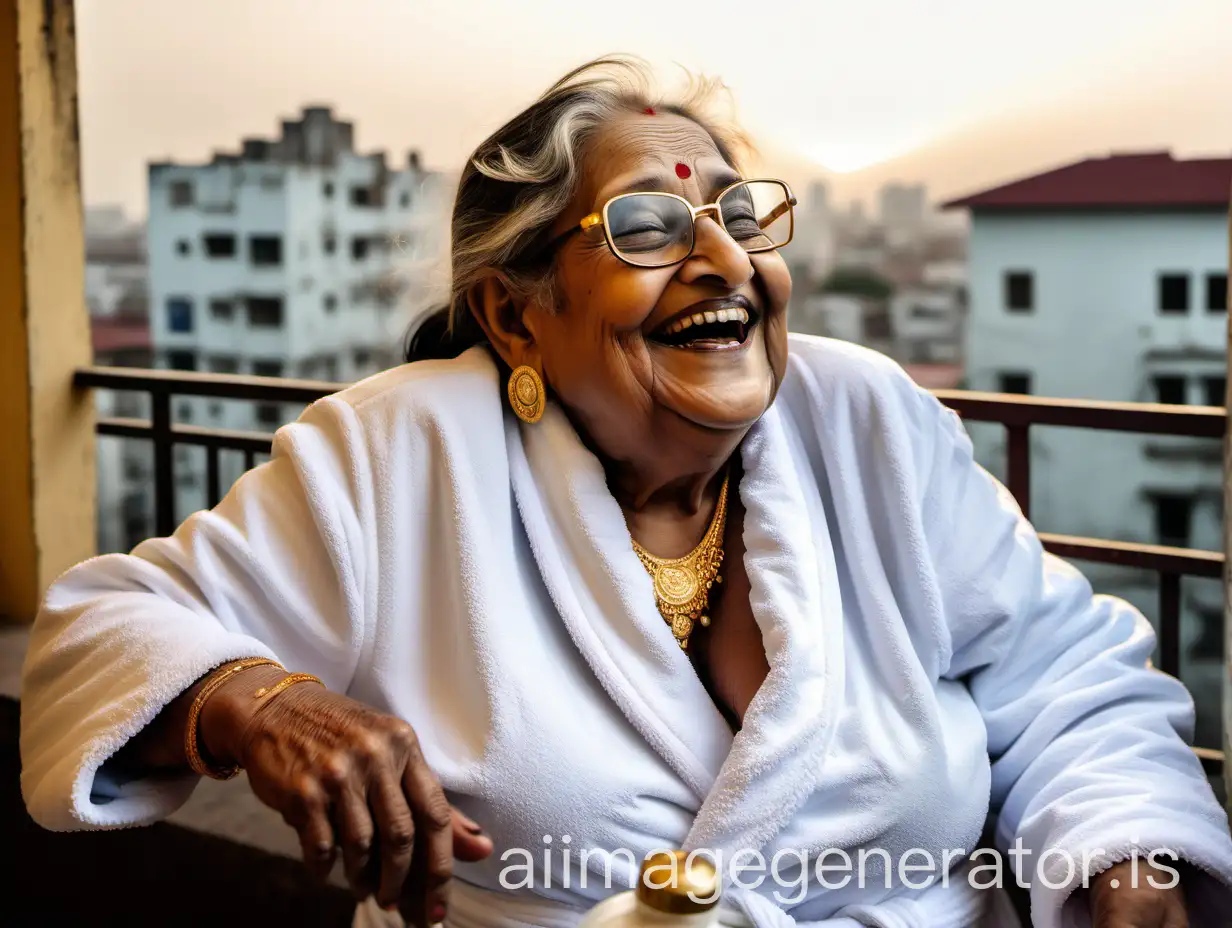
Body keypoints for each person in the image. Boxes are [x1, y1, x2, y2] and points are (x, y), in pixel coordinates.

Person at [20, 56, 1232, 928]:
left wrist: (1127, 860)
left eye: (739, 216)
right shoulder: (398, 454)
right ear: (512, 311)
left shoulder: (865, 418)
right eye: (650, 227)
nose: (724, 263)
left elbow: (1069, 685)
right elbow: (99, 627)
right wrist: (259, 698)